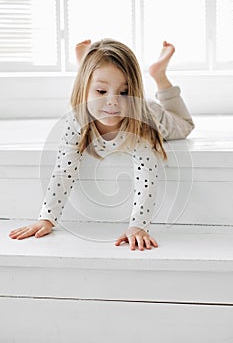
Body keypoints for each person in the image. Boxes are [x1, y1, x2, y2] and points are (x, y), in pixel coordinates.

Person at [9, 39, 194, 251]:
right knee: (102, 88)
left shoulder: (141, 124)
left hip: (155, 115)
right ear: (84, 89)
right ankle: (86, 66)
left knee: (185, 124)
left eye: (124, 92)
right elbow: (63, 170)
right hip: (92, 96)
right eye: (101, 91)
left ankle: (159, 76)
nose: (113, 101)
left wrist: (138, 226)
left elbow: (146, 177)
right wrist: (47, 219)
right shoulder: (76, 120)